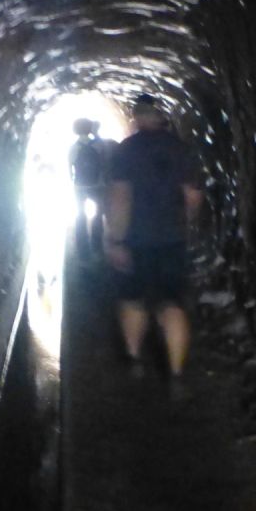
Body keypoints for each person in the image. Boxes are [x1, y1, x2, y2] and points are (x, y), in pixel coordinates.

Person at [104, 94, 204, 379]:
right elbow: (194, 196)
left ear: (136, 116)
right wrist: (187, 224)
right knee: (172, 303)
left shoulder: (126, 151)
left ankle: (135, 360)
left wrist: (116, 240)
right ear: (161, 117)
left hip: (135, 239)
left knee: (133, 299)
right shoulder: (180, 149)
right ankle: (176, 373)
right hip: (171, 238)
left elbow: (120, 197)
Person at [68, 117, 106, 258]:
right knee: (98, 214)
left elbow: (69, 169)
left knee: (80, 215)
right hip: (96, 185)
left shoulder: (73, 148)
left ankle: (82, 248)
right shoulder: (98, 145)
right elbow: (104, 163)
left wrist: (73, 182)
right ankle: (97, 244)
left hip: (79, 186)